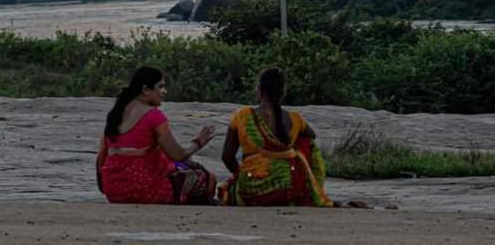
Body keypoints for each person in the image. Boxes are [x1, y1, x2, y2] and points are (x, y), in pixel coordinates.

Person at [96, 66, 218, 205]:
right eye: (160, 87)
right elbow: (178, 155)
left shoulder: (115, 114)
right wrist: (198, 142)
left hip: (114, 192)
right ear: (146, 90)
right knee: (208, 178)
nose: (164, 92)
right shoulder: (154, 116)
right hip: (144, 189)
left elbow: (102, 158)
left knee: (177, 166)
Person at [219, 68, 333, 207]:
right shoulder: (295, 119)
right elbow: (311, 137)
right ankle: (309, 190)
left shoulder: (242, 116)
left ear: (259, 90)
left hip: (251, 187)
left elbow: (227, 157)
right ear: (283, 92)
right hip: (288, 188)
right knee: (307, 144)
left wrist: (241, 173)